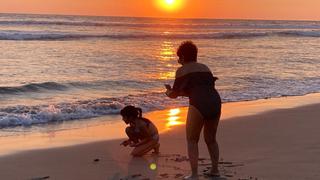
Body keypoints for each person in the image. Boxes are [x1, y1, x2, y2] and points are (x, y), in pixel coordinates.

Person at [165, 41, 222, 179]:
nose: (179, 61)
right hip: (215, 101)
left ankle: (194, 174)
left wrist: (168, 92)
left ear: (183, 57)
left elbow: (175, 94)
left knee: (192, 140)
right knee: (211, 139)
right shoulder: (205, 67)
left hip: (198, 104)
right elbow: (200, 89)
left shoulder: (181, 70)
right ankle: (215, 170)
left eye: (179, 58)